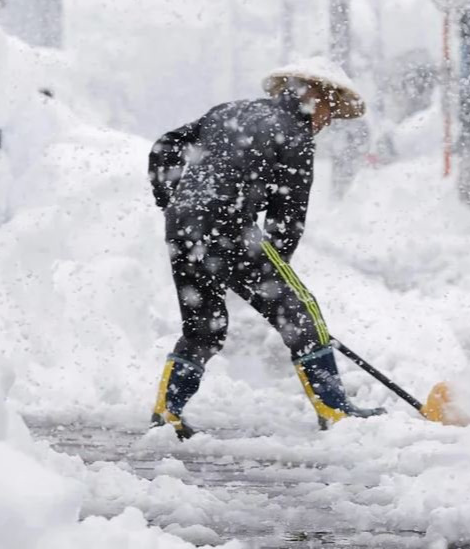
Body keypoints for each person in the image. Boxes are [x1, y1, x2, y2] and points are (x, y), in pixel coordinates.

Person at [147, 58, 384, 439]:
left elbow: (165, 147)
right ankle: (335, 410)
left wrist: (173, 203)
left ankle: (167, 410)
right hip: (230, 228)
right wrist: (274, 280)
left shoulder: (229, 111)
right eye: (330, 113)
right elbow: (287, 219)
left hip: (182, 228)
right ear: (317, 98)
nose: (327, 123)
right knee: (303, 312)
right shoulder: (295, 134)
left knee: (204, 327)